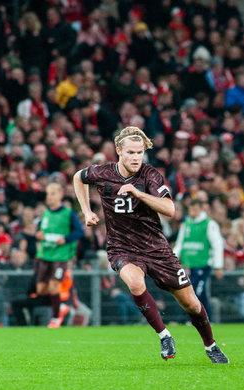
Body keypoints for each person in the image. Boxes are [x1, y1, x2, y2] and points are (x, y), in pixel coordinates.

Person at [73, 126, 229, 363]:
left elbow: (170, 209)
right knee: (135, 283)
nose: (136, 157)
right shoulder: (102, 172)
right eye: (131, 153)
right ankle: (164, 335)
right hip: (121, 247)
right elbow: (78, 177)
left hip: (156, 248)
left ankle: (211, 346)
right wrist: (86, 211)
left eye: (140, 152)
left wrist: (140, 194)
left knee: (191, 303)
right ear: (119, 151)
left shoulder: (150, 175)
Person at [35, 183, 85, 328]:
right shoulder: (45, 213)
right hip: (45, 254)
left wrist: (66, 239)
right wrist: (39, 235)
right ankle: (61, 307)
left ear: (60, 195)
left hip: (60, 256)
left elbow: (79, 232)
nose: (49, 197)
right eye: (47, 194)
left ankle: (56, 318)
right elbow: (42, 232)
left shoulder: (68, 213)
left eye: (52, 194)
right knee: (41, 290)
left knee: (53, 287)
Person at [174, 199, 224, 321]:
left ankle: (201, 320)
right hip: (188, 266)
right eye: (191, 209)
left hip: (202, 265)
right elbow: (180, 244)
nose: (192, 212)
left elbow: (217, 244)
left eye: (195, 209)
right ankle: (205, 320)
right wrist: (171, 261)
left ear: (201, 209)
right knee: (193, 294)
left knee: (198, 292)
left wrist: (218, 266)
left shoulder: (209, 224)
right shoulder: (186, 223)